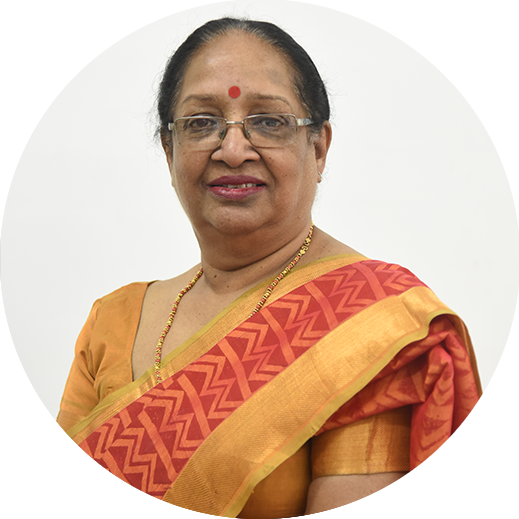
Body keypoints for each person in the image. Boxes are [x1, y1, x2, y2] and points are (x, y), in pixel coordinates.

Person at [26, 17, 496, 519]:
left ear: (319, 147)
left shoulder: (370, 325)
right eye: (201, 122)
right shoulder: (114, 322)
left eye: (269, 121)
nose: (232, 150)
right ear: (168, 150)